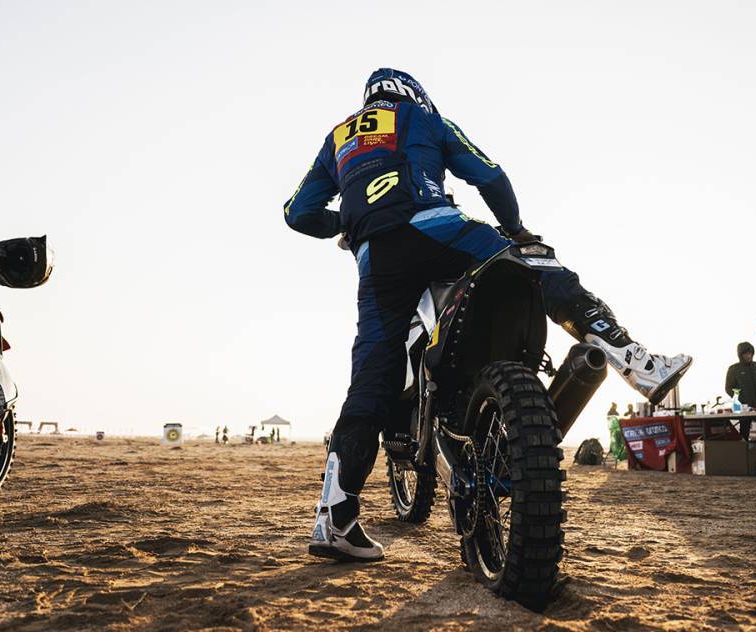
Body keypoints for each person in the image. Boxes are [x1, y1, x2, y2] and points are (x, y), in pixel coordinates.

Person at [284, 68, 693, 562]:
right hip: (436, 227)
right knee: (539, 267)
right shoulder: (421, 117)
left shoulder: (339, 136)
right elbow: (489, 174)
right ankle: (636, 363)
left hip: (376, 258)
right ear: (414, 94)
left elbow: (297, 212)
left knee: (371, 378)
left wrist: (346, 224)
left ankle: (335, 518)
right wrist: (515, 229)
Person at [724, 342, 756, 459]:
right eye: (745, 353)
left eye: (750, 353)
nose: (748, 356)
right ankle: (742, 459)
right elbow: (728, 388)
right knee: (744, 434)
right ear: (740, 355)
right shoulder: (734, 369)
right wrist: (739, 400)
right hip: (745, 409)